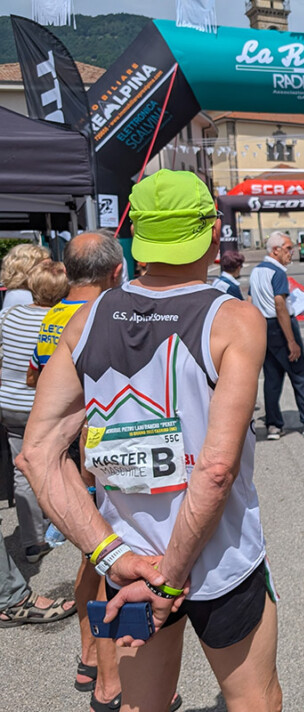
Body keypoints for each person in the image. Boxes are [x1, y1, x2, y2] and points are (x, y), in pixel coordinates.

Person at [19, 169, 282, 711]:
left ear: (136, 233)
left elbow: (37, 453)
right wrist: (170, 578)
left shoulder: (86, 319)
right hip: (220, 561)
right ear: (213, 232)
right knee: (257, 702)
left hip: (130, 563)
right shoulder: (234, 319)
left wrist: (110, 555)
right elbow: (215, 470)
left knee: (142, 705)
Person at [26, 232, 142, 707]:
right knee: (115, 558)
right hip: (100, 447)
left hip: (60, 447)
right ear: (116, 272)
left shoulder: (53, 316)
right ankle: (115, 679)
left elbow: (36, 378)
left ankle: (90, 656)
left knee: (90, 558)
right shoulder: (107, 315)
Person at [0, 259, 68, 564]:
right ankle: (60, 524)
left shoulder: (9, 315)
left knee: (22, 469)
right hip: (43, 406)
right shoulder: (60, 320)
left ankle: (32, 541)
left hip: (10, 404)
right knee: (57, 463)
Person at [249, 231, 304, 440]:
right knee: (299, 375)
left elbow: (249, 300)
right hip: (280, 325)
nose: (291, 253)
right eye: (288, 248)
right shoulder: (277, 272)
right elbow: (280, 304)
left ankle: (274, 425)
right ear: (275, 250)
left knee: (272, 378)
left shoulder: (256, 271)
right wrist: (291, 340)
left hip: (263, 325)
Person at [0, 243, 50, 313]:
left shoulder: (23, 293)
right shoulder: (22, 296)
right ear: (26, 269)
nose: (52, 270)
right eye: (45, 267)